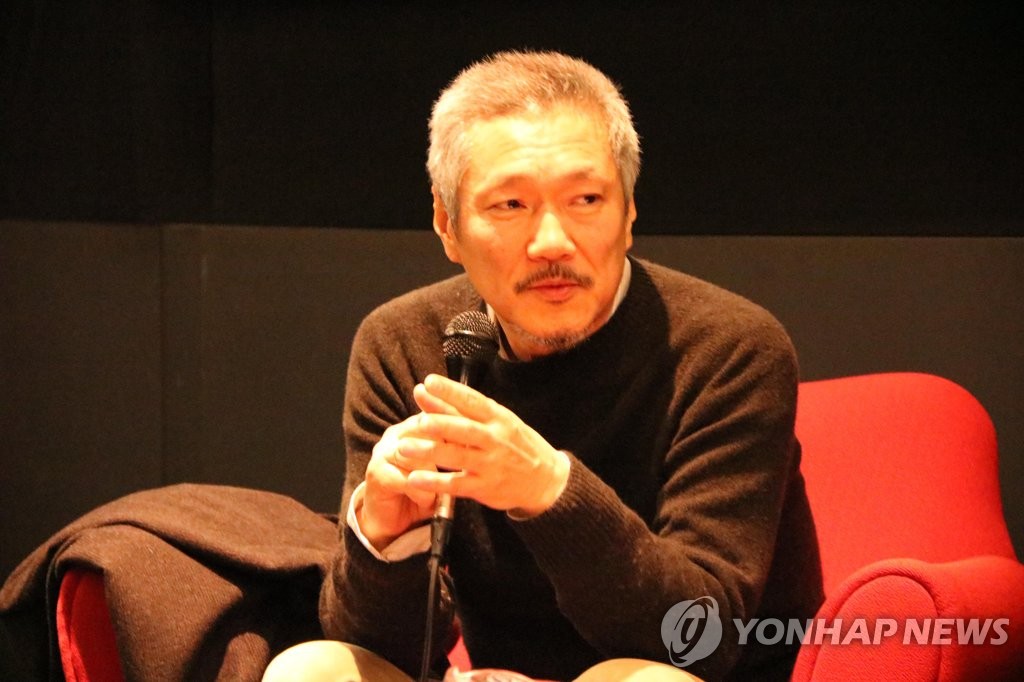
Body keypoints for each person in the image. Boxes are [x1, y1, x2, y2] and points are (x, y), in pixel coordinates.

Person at [264, 50, 822, 682]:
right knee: (314, 668)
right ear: (447, 226)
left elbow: (698, 639)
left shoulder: (730, 348)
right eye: (510, 205)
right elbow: (386, 647)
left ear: (629, 213)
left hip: (687, 674)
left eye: (586, 199)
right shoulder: (405, 344)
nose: (553, 242)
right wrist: (386, 542)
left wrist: (549, 489)